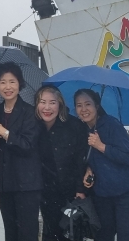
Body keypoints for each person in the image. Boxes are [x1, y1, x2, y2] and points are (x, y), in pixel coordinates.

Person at [0, 62, 42, 241]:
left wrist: (4, 132)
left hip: (26, 184)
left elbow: (28, 145)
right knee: (10, 232)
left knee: (27, 233)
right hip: (4, 183)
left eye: (12, 81)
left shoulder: (30, 112)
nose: (7, 87)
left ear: (19, 83)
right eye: (2, 82)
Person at [74, 88, 129, 241]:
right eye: (79, 105)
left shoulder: (112, 124)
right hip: (102, 196)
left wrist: (101, 146)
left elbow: (127, 157)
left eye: (88, 104)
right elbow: (87, 157)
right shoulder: (81, 129)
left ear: (97, 106)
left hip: (127, 194)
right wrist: (89, 168)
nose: (84, 109)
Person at [35, 85, 89, 241]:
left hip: (69, 191)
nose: (47, 107)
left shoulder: (74, 125)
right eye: (42, 102)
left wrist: (80, 189)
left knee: (70, 233)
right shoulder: (33, 125)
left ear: (60, 104)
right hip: (44, 191)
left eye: (52, 102)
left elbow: (81, 159)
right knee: (49, 232)